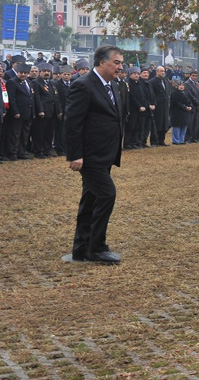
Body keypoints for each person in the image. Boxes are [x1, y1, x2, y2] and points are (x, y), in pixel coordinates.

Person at [65, 45, 125, 264]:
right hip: (90, 156)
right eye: (116, 62)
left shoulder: (113, 86)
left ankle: (81, 248)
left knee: (90, 199)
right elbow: (72, 123)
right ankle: (97, 248)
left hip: (105, 154)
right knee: (106, 194)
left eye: (121, 62)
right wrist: (75, 154)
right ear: (102, 63)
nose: (120, 66)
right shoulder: (83, 85)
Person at [6, 63, 42, 160]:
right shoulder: (12, 82)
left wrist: (33, 112)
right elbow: (12, 98)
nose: (23, 75)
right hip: (17, 113)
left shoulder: (29, 83)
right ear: (17, 73)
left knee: (24, 134)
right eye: (21, 73)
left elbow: (32, 98)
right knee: (15, 134)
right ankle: (12, 153)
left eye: (25, 73)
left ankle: (21, 152)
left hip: (28, 113)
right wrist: (15, 112)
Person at [148, 65, 171, 146]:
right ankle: (154, 141)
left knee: (164, 123)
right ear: (157, 72)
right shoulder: (152, 82)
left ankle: (161, 140)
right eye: (161, 71)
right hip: (158, 106)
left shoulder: (166, 81)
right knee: (157, 124)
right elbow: (152, 94)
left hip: (165, 105)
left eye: (164, 71)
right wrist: (154, 103)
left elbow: (168, 92)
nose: (163, 72)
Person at [169, 80, 191, 144]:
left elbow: (189, 101)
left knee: (184, 126)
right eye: (180, 85)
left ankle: (181, 140)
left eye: (183, 85)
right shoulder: (174, 93)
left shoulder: (186, 93)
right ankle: (175, 140)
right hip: (177, 112)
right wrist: (185, 107)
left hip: (185, 113)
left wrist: (190, 106)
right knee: (176, 126)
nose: (181, 87)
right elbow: (176, 103)